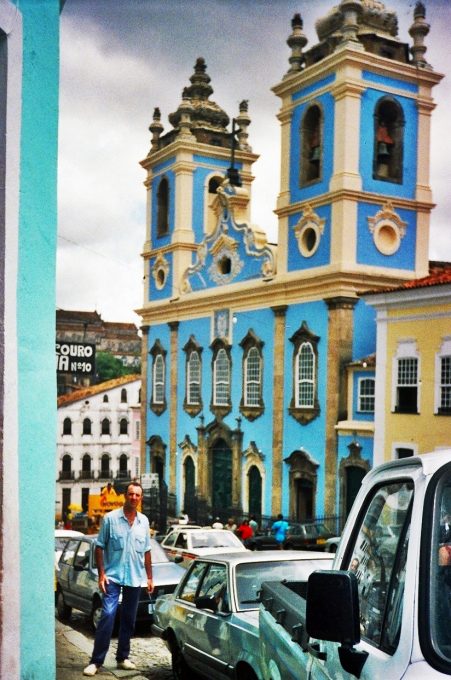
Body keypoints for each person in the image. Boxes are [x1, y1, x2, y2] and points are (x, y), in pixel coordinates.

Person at [83, 482, 153, 677]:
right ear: (125, 496)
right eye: (131, 494)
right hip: (112, 577)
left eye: (138, 495)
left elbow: (147, 550)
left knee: (129, 619)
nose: (134, 498)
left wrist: (149, 577)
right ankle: (96, 661)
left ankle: (122, 657)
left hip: (134, 577)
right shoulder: (110, 519)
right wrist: (102, 574)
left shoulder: (144, 522)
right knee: (108, 615)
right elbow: (99, 546)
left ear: (141, 499)